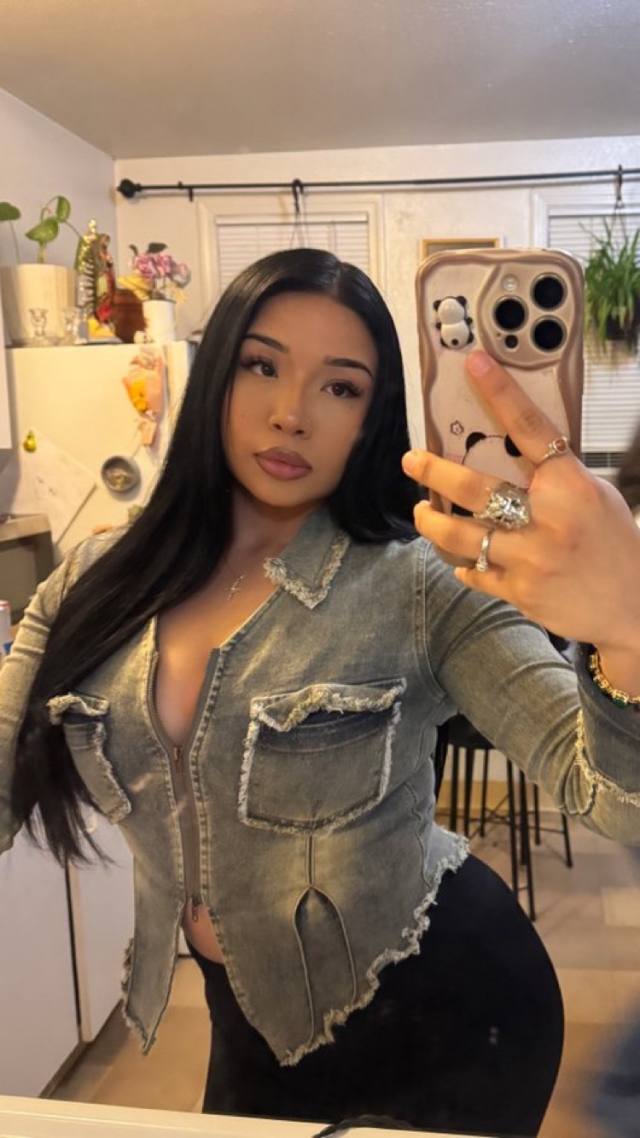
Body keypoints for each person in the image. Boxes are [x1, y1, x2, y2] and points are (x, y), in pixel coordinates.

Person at [1, 248, 639, 1137]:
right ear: (216, 376)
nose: (291, 414)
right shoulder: (97, 577)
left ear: (373, 418)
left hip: (452, 1009)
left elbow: (612, 798)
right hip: (251, 1023)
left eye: (340, 387)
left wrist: (628, 627)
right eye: (261, 366)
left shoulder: (421, 583)